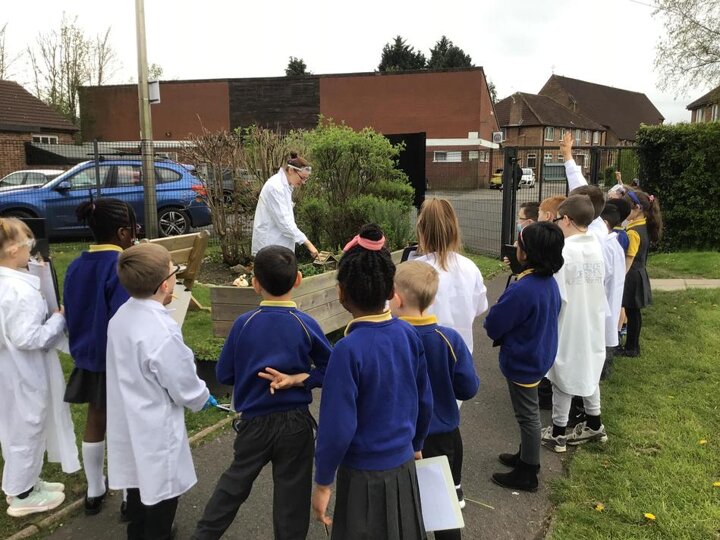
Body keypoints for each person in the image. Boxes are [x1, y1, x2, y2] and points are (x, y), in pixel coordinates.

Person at [193, 245, 332, 540]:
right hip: (295, 424)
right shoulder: (305, 324)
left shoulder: (244, 324)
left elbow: (224, 374)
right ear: (298, 280)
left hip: (254, 423)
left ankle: (203, 535)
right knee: (292, 499)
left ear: (255, 284)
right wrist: (300, 379)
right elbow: (332, 368)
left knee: (233, 486)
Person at [312, 224, 432, 540]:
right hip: (403, 463)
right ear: (391, 292)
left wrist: (323, 481)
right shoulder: (409, 334)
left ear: (341, 293)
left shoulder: (347, 350)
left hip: (362, 474)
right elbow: (424, 399)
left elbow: (336, 426)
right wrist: (417, 444)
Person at [107, 243, 214, 540]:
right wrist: (201, 397)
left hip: (128, 419)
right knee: (162, 495)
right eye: (173, 271)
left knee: (137, 485)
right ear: (165, 284)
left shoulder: (121, 316)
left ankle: (138, 532)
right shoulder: (161, 329)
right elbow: (182, 382)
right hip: (155, 426)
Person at [390, 260, 479, 540]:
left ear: (396, 298)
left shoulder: (390, 340)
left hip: (400, 436)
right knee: (443, 507)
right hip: (443, 436)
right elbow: (468, 388)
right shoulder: (448, 338)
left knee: (402, 505)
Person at [63, 198, 138, 517]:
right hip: (119, 360)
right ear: (123, 233)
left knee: (96, 418)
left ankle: (94, 490)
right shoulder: (122, 267)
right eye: (134, 229)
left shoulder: (75, 266)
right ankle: (129, 498)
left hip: (89, 357)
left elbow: (71, 310)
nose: (136, 234)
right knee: (126, 427)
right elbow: (126, 317)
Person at [0, 218, 79, 518]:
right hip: (22, 370)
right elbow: (28, 337)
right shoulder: (18, 291)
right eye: (28, 243)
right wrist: (58, 318)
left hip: (11, 368)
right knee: (28, 425)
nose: (31, 250)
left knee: (17, 425)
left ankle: (26, 482)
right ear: (13, 250)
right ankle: (22, 493)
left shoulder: (9, 282)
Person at [411, 197, 487, 507]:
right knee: (449, 420)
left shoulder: (416, 270)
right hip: (457, 356)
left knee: (423, 425)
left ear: (422, 230)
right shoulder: (469, 268)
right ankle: (453, 486)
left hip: (422, 355)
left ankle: (427, 492)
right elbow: (480, 306)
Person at [485, 221, 564, 491]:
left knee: (527, 416)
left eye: (519, 244)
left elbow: (494, 324)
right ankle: (526, 455)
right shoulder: (548, 282)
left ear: (526, 252)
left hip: (524, 359)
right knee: (527, 413)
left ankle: (528, 471)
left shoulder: (523, 288)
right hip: (538, 353)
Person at [541, 195, 607, 452]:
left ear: (566, 219)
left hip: (569, 318)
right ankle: (594, 422)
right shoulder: (596, 246)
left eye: (558, 219)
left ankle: (558, 432)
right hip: (592, 316)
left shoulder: (565, 251)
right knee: (589, 367)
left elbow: (555, 292)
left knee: (563, 374)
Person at [617, 189, 662, 357]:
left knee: (632, 313)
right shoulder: (643, 225)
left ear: (637, 208)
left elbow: (629, 258)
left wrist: (620, 277)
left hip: (631, 276)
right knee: (634, 313)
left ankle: (631, 348)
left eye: (627, 209)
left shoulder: (633, 232)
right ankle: (633, 346)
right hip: (639, 272)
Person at [251, 151, 319, 259]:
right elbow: (285, 223)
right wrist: (308, 244)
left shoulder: (286, 186)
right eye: (302, 178)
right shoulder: (275, 187)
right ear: (291, 170)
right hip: (270, 246)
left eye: (306, 179)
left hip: (279, 247)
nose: (303, 182)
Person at [598, 204, 627, 378]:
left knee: (603, 337)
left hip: (606, 301)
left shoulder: (606, 245)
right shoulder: (614, 243)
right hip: (611, 300)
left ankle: (603, 371)